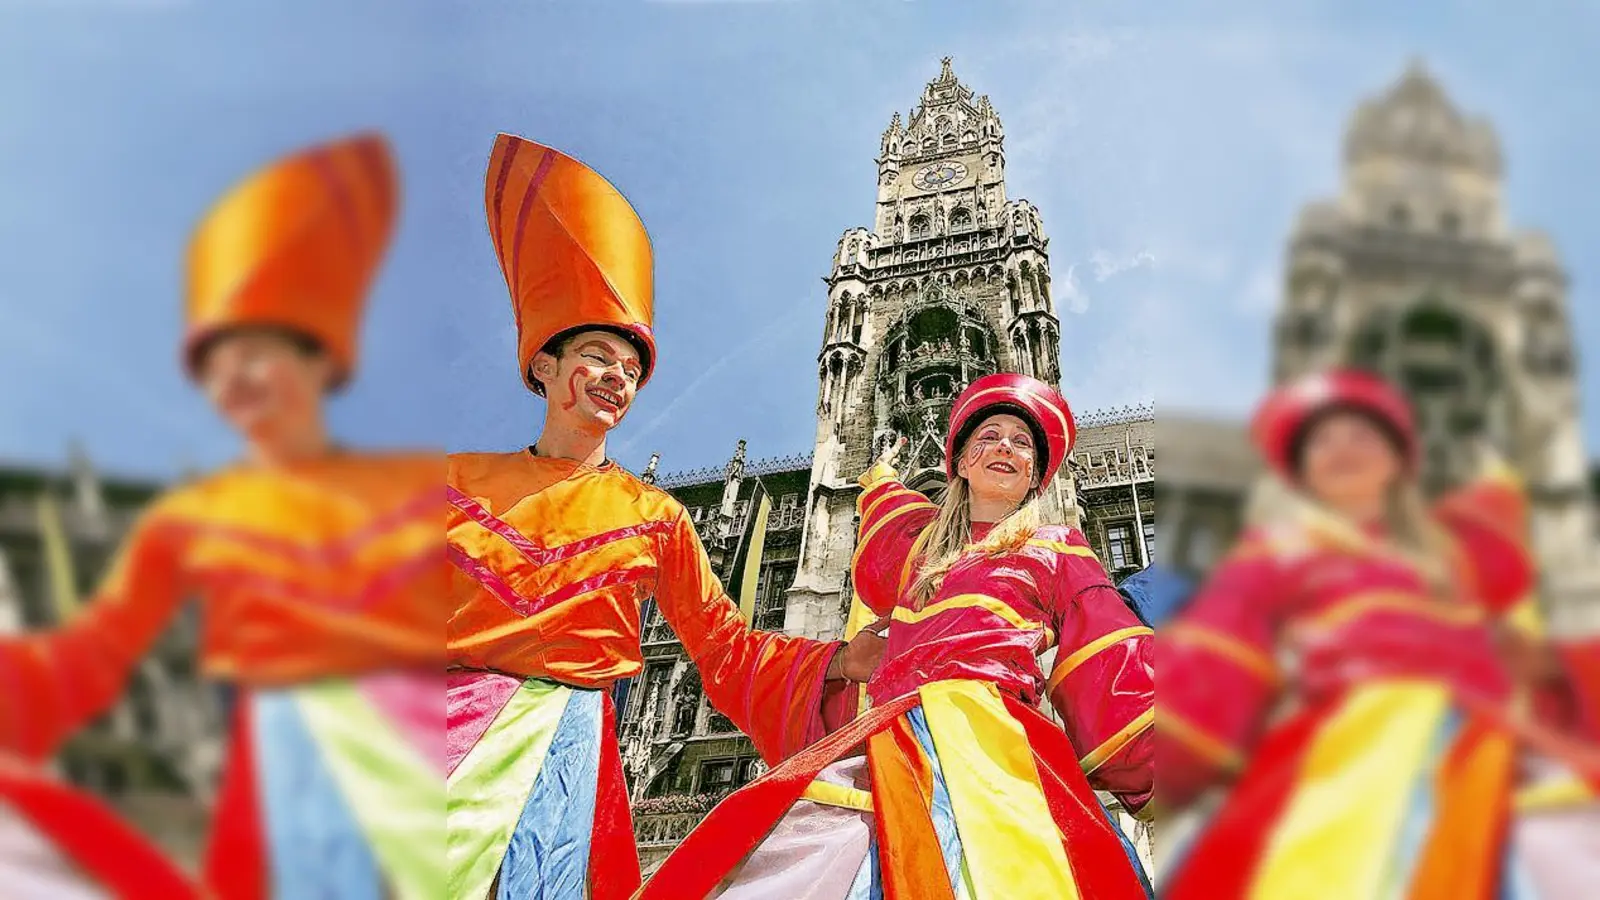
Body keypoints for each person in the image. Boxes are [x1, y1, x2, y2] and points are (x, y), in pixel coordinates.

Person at [0, 133, 444, 899]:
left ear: (319, 359)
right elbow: (86, 663)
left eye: (254, 352)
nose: (231, 379)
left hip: (415, 783)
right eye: (213, 363)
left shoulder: (414, 492)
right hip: (272, 795)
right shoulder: (194, 517)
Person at [445, 134, 886, 900]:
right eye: (594, 356)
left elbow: (723, 649)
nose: (615, 379)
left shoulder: (653, 514)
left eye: (630, 369)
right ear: (542, 366)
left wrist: (838, 662)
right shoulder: (452, 483)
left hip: (563, 753)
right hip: (435, 721)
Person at [637, 372, 1155, 900]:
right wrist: (878, 479)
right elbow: (882, 539)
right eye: (988, 435)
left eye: (1022, 441)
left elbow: (1108, 656)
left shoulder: (1059, 547)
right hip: (894, 734)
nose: (1005, 446)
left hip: (1000, 741)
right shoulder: (917, 551)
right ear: (960, 463)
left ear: (1037, 474)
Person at [1159, 368, 1600, 899]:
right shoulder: (1275, 556)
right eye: (1323, 439)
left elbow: (1528, 652)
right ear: (1299, 471)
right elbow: (1215, 667)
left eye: (1361, 435)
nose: (1342, 448)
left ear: (1398, 460)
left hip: (1493, 748)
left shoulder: (1451, 565)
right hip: (1351, 753)